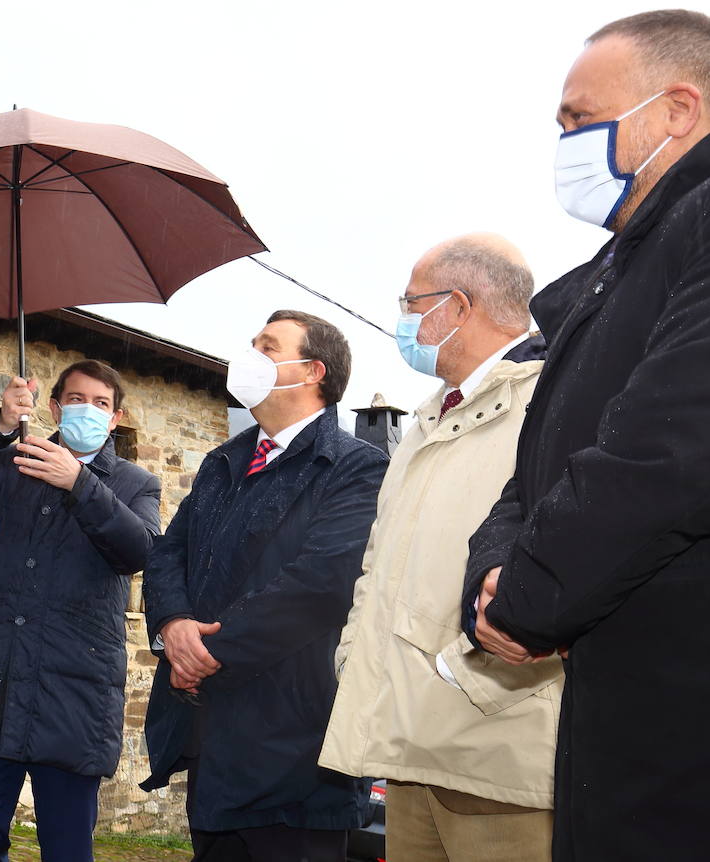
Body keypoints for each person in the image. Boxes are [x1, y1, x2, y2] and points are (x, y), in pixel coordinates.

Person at [461, 11, 710, 861]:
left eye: (578, 118)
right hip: (620, 703)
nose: (565, 142)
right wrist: (490, 577)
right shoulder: (610, 275)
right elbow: (534, 472)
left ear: (675, 110)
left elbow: (668, 452)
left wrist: (529, 596)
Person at [318, 235, 559, 861]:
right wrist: (354, 656)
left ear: (456, 306)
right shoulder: (427, 418)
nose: (403, 319)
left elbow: (564, 562)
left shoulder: (552, 402)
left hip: (494, 753)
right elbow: (379, 563)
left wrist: (467, 677)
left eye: (410, 302)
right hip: (409, 744)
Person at [141, 310, 386, 862]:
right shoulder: (223, 461)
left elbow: (319, 585)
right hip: (211, 739)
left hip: (297, 755)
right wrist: (174, 626)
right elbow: (168, 552)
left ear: (313, 370)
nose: (249, 355)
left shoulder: (356, 468)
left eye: (267, 346)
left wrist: (205, 652)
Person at [0, 359, 161, 862]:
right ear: (55, 406)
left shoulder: (135, 484)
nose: (88, 410)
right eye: (77, 399)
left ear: (116, 418)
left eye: (101, 403)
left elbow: (140, 552)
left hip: (74, 692)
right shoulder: (16, 459)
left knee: (65, 846)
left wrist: (79, 482)